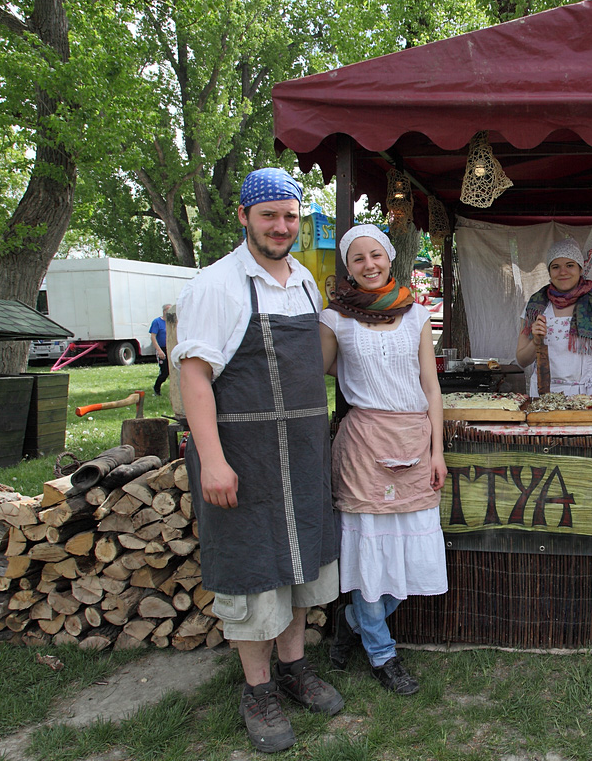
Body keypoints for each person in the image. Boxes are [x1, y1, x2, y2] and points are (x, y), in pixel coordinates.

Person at [174, 168, 342, 754]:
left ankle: (293, 670)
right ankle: (258, 688)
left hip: (301, 454)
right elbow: (194, 378)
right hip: (242, 455)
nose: (281, 226)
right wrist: (213, 461)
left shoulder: (304, 282)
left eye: (290, 216)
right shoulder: (216, 285)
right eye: (269, 215)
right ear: (244, 216)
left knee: (298, 570)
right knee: (253, 571)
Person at [319, 224, 448, 695]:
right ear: (348, 267)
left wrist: (437, 451)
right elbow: (319, 367)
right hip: (365, 442)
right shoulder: (335, 318)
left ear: (389, 257)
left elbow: (431, 387)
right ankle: (381, 652)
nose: (368, 265)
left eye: (375, 255)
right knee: (369, 553)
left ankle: (353, 619)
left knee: (411, 557)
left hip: (414, 440)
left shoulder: (416, 314)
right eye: (358, 258)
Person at [516, 238, 592, 396]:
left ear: (580, 269)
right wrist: (535, 342)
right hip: (544, 395)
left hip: (587, 395)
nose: (563, 272)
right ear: (549, 272)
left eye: (570, 265)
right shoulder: (535, 307)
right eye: (556, 267)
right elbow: (522, 360)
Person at [149, 304, 171, 396]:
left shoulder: (172, 322)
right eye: (168, 310)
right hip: (162, 348)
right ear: (164, 311)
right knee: (165, 372)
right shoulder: (157, 322)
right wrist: (159, 350)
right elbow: (153, 337)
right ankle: (156, 388)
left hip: (171, 348)